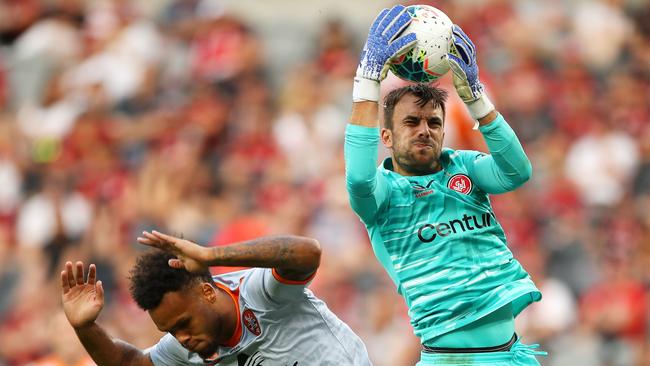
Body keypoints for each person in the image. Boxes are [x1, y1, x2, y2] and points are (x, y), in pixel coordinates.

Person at [345, 5, 545, 365]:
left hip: (512, 355)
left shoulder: (464, 166)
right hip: (451, 360)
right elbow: (358, 177)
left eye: (433, 123)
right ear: (386, 136)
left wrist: (475, 98)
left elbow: (518, 172)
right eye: (411, 122)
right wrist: (367, 80)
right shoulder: (383, 195)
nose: (425, 129)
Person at [60, 231, 372, 365]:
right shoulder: (189, 349)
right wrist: (85, 328)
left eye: (183, 324)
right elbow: (129, 364)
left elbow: (308, 253)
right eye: (170, 331)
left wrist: (211, 255)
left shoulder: (259, 293)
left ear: (207, 291)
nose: (181, 338)